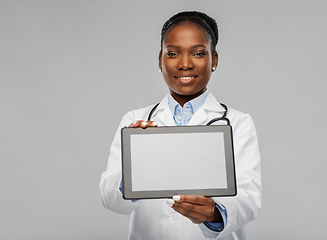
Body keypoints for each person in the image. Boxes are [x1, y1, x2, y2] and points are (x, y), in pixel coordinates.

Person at [99, 11, 261, 240]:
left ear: (214, 60)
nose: (185, 64)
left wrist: (213, 214)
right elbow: (109, 198)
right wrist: (136, 165)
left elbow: (249, 198)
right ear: (160, 60)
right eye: (173, 53)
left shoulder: (238, 123)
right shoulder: (134, 122)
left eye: (198, 53)